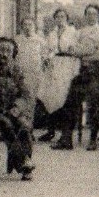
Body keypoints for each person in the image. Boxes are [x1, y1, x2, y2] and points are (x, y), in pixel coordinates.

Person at [54, 4, 99, 151]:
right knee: (69, 101)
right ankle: (66, 139)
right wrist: (88, 50)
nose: (90, 16)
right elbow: (72, 49)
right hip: (82, 71)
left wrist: (83, 53)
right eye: (88, 13)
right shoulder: (79, 32)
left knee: (94, 102)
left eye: (94, 14)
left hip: (97, 72)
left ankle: (93, 139)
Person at [0, 38, 36, 181]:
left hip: (13, 110)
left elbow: (26, 94)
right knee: (7, 125)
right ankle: (23, 162)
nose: (4, 54)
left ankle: (25, 163)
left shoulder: (17, 70)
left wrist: (17, 107)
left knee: (24, 126)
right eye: (1, 50)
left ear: (13, 53)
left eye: (8, 50)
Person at [39, 8, 80, 142]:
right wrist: (46, 58)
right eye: (57, 16)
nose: (60, 19)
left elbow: (76, 51)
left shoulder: (73, 32)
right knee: (49, 96)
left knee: (63, 97)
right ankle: (50, 130)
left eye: (62, 16)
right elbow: (46, 49)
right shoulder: (52, 33)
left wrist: (75, 70)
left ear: (67, 18)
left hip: (67, 65)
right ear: (55, 19)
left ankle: (65, 133)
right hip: (54, 64)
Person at [14, 17, 48, 104]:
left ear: (34, 26)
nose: (27, 27)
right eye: (25, 24)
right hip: (21, 74)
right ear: (21, 26)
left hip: (35, 74)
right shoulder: (16, 40)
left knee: (34, 98)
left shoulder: (40, 41)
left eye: (30, 24)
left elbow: (44, 58)